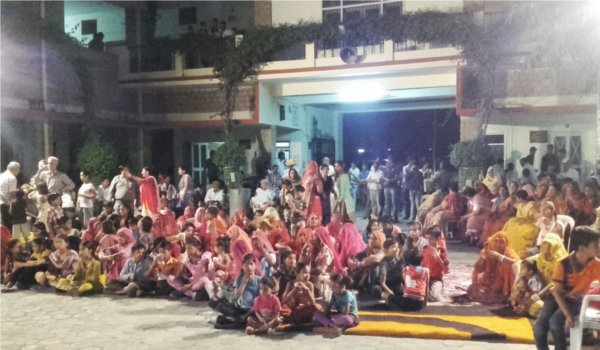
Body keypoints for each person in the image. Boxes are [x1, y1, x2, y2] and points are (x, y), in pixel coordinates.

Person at [534, 226, 600, 350]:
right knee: (539, 328)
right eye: (595, 245)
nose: (599, 248)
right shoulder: (563, 263)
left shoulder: (597, 265)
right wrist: (568, 315)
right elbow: (556, 292)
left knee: (555, 323)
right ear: (582, 248)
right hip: (558, 298)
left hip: (577, 301)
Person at [211, 253, 261, 329]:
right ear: (242, 266)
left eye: (251, 264)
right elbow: (236, 298)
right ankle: (238, 321)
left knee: (247, 318)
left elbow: (259, 299)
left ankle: (232, 322)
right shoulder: (239, 279)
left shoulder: (259, 280)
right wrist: (244, 281)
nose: (249, 267)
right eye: (246, 265)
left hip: (251, 309)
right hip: (239, 307)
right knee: (220, 306)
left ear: (255, 266)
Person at [467, 231, 519, 304]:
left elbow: (518, 263)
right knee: (473, 290)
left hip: (504, 284)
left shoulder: (509, 252)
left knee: (506, 265)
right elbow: (478, 269)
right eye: (496, 241)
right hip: (489, 283)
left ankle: (506, 293)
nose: (498, 244)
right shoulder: (487, 250)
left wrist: (500, 257)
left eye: (501, 242)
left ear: (506, 244)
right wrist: (484, 255)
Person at [503, 189, 539, 258]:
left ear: (520, 198)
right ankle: (507, 248)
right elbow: (518, 217)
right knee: (510, 224)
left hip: (530, 223)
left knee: (521, 232)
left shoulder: (531, 204)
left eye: (517, 198)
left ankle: (519, 253)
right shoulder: (520, 205)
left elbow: (536, 216)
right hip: (521, 223)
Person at [421, 228, 449, 302]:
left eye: (431, 239)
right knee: (416, 294)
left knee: (433, 297)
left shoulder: (442, 251)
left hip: (436, 279)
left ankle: (440, 290)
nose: (429, 241)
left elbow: (446, 270)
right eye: (428, 239)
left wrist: (437, 257)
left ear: (438, 239)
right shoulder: (425, 249)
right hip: (424, 278)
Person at [379, 237, 405, 307]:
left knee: (403, 296)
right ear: (386, 250)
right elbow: (382, 283)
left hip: (396, 285)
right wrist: (391, 293)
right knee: (377, 290)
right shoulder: (384, 262)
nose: (396, 249)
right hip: (386, 286)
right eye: (393, 247)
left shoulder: (400, 260)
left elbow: (403, 277)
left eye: (397, 247)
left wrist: (406, 289)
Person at [0, 162, 20, 229]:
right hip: (6, 205)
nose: (18, 172)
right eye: (18, 169)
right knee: (8, 226)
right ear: (15, 169)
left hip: (1, 202)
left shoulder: (1, 175)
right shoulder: (12, 178)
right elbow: (11, 194)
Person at [381, 157, 399, 221]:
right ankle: (387, 216)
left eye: (388, 161)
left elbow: (396, 178)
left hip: (393, 187)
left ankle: (394, 217)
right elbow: (383, 176)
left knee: (394, 202)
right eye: (387, 161)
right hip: (386, 187)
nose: (387, 162)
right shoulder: (385, 168)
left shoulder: (396, 168)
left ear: (391, 161)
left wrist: (389, 180)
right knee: (387, 202)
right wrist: (386, 180)